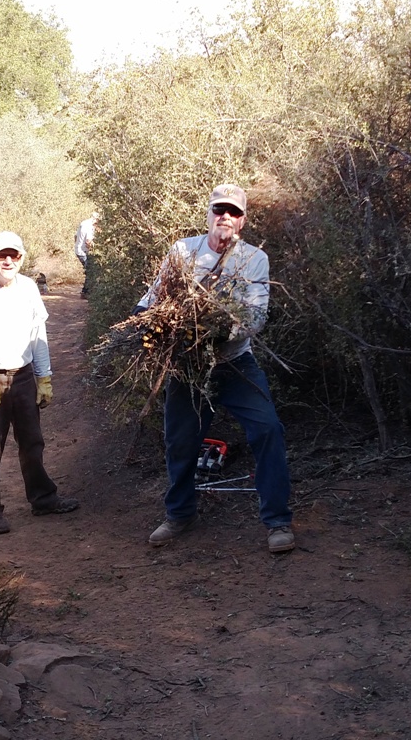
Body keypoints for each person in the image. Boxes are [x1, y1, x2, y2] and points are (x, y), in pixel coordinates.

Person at [133, 184, 295, 554]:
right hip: (188, 368)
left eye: (233, 212)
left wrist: (219, 331)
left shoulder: (255, 258)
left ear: (243, 221)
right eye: (219, 210)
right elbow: (154, 298)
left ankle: (278, 521)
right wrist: (144, 321)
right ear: (208, 214)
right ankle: (180, 514)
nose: (225, 217)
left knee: (268, 429)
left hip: (235, 364)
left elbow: (256, 315)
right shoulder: (182, 251)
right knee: (180, 441)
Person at [0, 231, 79, 535]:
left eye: (14, 255)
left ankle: (43, 499)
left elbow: (38, 336)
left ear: (22, 258)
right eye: (1, 255)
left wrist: (44, 376)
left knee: (32, 442)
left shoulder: (27, 288)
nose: (8, 261)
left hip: (23, 376)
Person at [74, 212, 99, 299]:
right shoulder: (90, 227)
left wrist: (78, 244)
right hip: (83, 252)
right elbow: (88, 242)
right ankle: (86, 292)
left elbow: (75, 237)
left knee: (89, 270)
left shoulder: (83, 223)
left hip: (78, 250)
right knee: (91, 271)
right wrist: (97, 250)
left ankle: (87, 291)